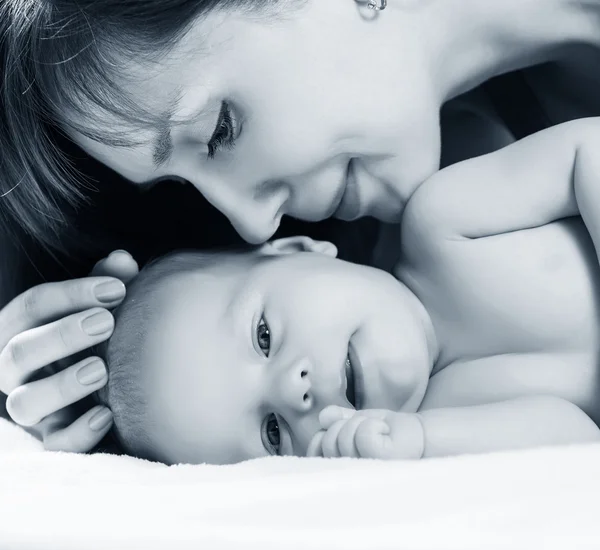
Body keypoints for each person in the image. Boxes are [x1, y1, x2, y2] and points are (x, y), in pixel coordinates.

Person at [2, 0, 600, 453]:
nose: (252, 221)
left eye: (219, 131)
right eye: (271, 432)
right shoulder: (425, 406)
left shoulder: (447, 217)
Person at [45, 118, 600, 465]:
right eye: (272, 432)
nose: (295, 390)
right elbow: (575, 441)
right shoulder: (440, 418)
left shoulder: (444, 224)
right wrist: (423, 443)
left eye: (263, 335)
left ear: (299, 250)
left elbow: (587, 151)